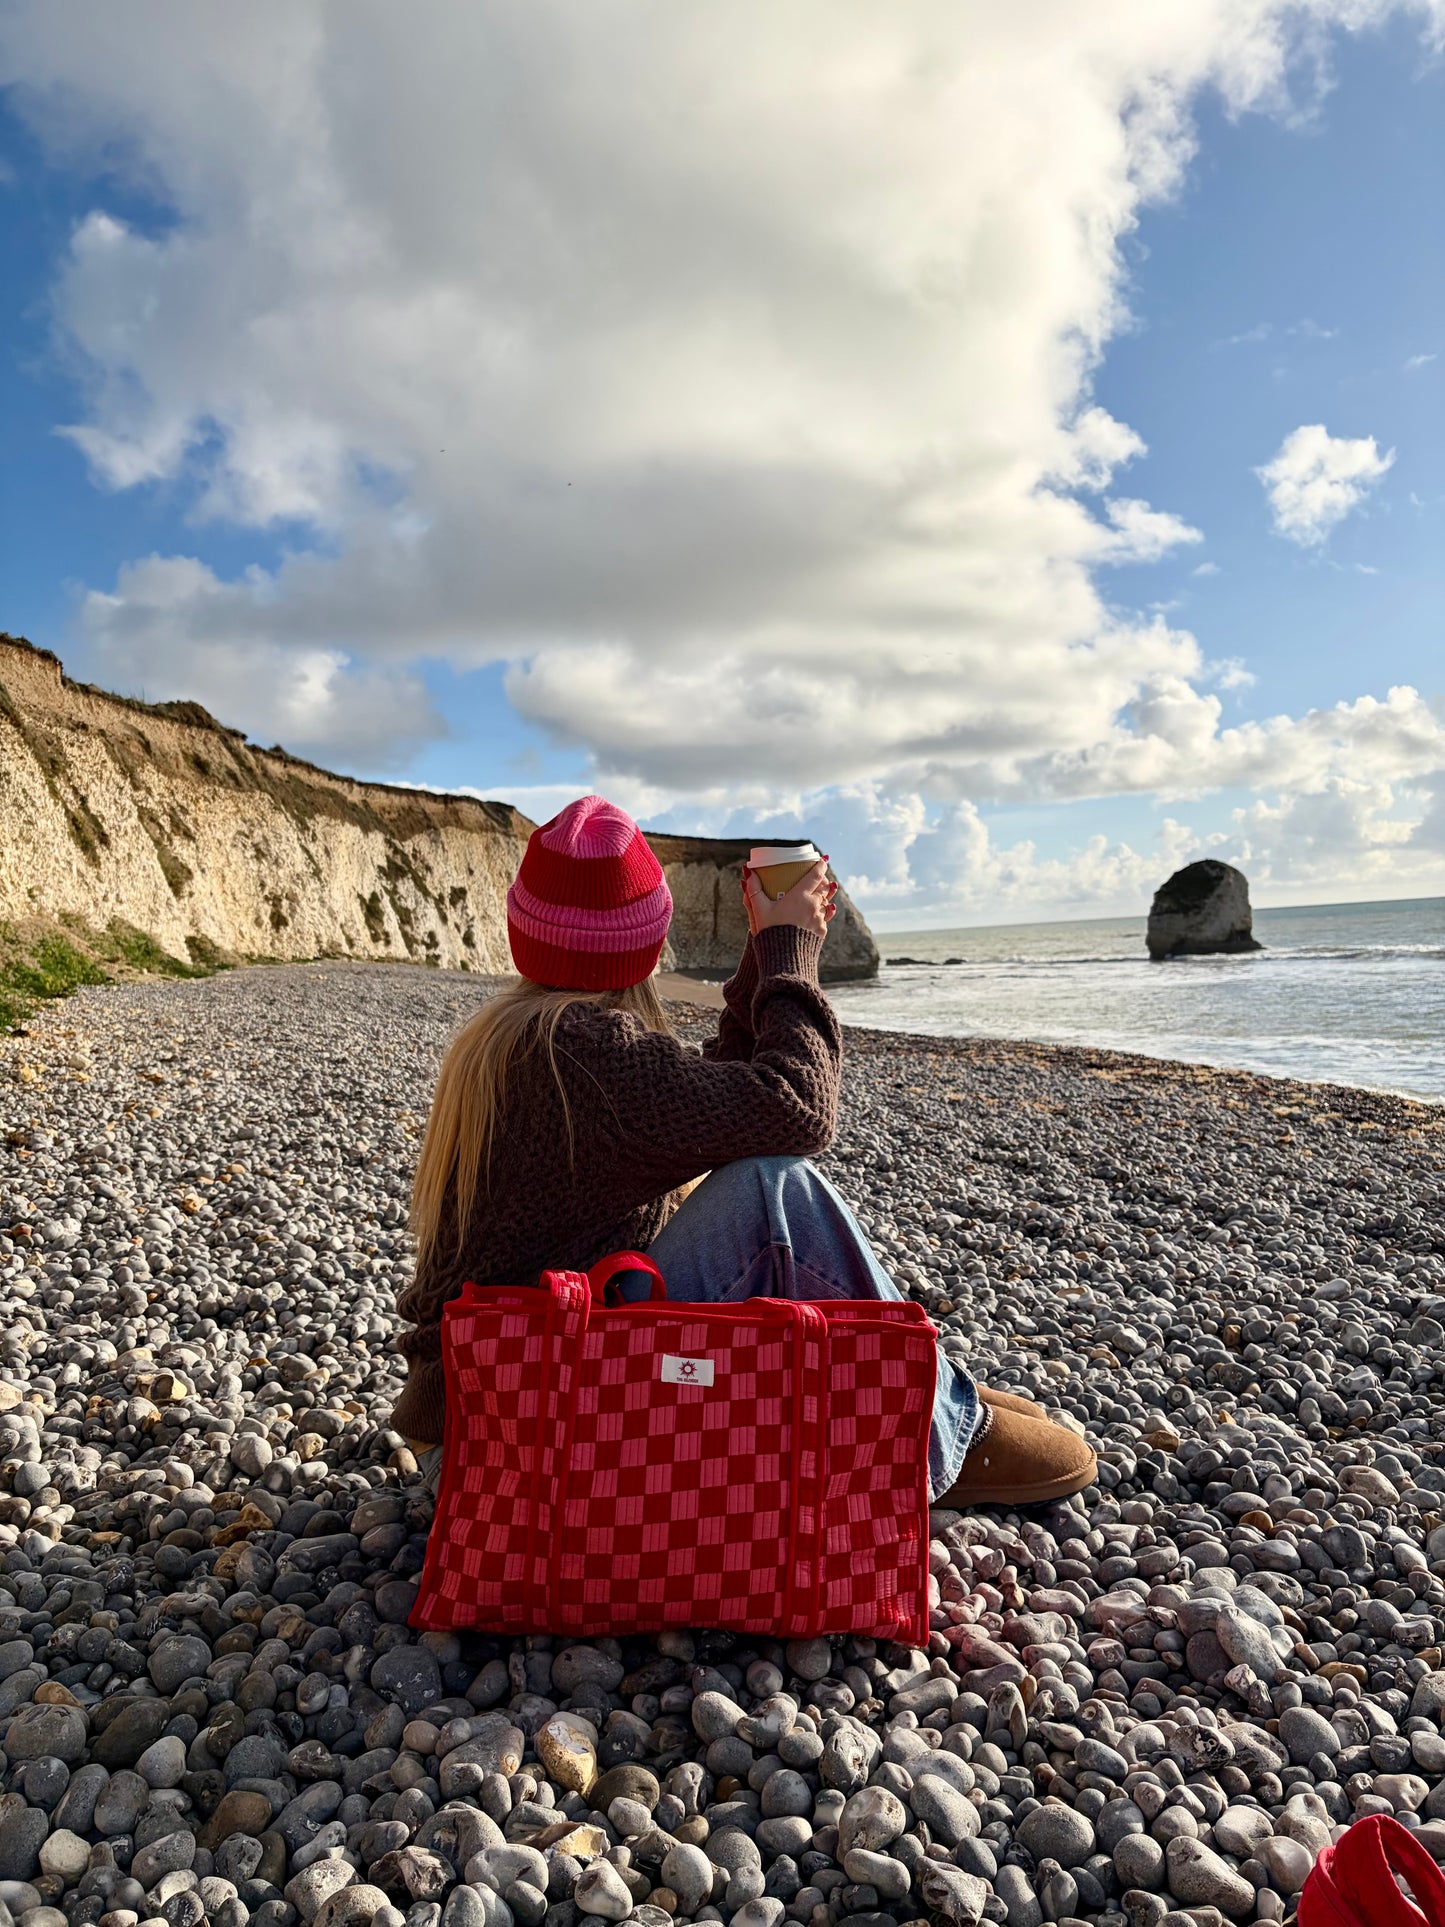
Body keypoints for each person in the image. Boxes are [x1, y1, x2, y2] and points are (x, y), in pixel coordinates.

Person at [393, 794, 1095, 1509]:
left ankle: (934, 1388)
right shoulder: (584, 1054)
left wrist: (763, 960)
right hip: (518, 1442)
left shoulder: (513, 1037)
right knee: (771, 1186)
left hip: (492, 1404)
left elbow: (711, 1106)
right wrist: (791, 954)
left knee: (746, 1170)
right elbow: (793, 1109)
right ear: (647, 939)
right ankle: (935, 1436)